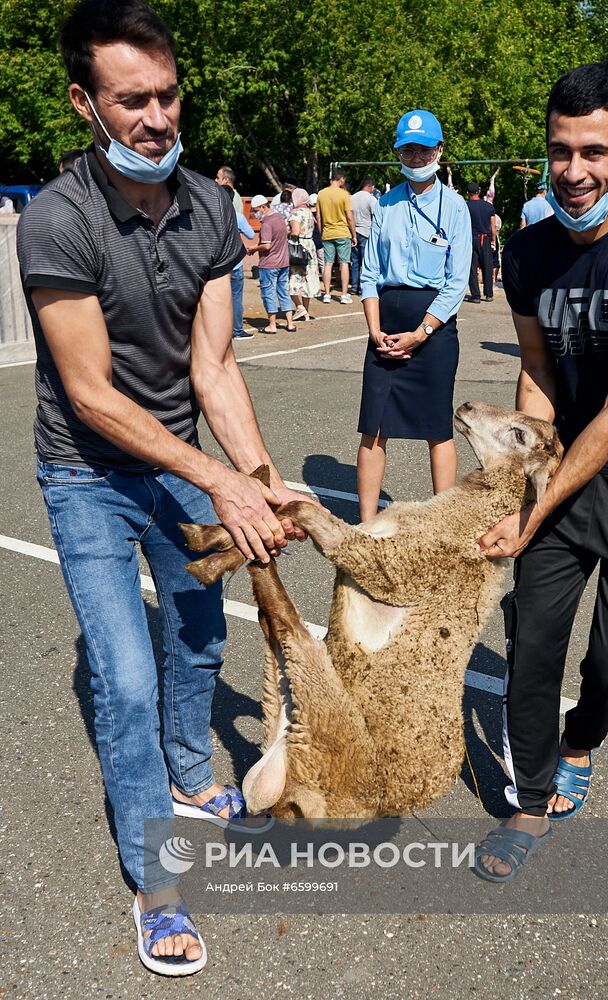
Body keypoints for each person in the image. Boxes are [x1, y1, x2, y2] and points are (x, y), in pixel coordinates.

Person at [16, 0, 308, 974]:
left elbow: (214, 369)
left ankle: (191, 771)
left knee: (195, 631)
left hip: (181, 453)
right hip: (87, 472)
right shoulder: (56, 220)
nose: (156, 116)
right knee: (126, 676)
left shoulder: (212, 209)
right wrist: (218, 478)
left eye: (168, 94)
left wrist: (259, 485)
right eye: (131, 99)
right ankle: (158, 880)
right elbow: (93, 395)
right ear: (83, 104)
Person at [474, 62, 608, 884]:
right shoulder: (527, 253)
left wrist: (531, 510)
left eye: (593, 152)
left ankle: (580, 741)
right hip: (559, 474)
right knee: (530, 646)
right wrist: (516, 481)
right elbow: (535, 369)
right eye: (559, 150)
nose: (573, 171)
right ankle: (528, 800)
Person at [357, 109, 472, 521]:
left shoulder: (456, 207)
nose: (417, 157)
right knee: (374, 427)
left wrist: (421, 333)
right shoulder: (384, 205)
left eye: (424, 149)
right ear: (398, 153)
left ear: (439, 150)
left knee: (437, 428)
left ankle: (443, 523)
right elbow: (369, 273)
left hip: (434, 328)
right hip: (384, 327)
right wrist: (375, 331)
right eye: (408, 149)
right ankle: (366, 524)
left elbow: (456, 283)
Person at [215, 180, 256, 339]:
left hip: (217, 263)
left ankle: (218, 330)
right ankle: (237, 330)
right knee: (236, 298)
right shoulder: (238, 216)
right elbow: (251, 235)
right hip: (235, 263)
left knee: (217, 298)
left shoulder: (214, 215)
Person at [250, 193, 296, 334]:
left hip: (269, 263)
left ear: (263, 207)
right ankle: (290, 323)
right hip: (283, 262)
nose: (255, 213)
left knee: (268, 293)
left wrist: (253, 249)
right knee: (283, 292)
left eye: (256, 210)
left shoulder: (267, 223)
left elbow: (266, 245)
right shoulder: (279, 218)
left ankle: (272, 325)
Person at [316, 167, 357, 304]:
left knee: (328, 263)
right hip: (343, 232)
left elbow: (318, 216)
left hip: (327, 232)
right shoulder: (344, 195)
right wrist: (354, 234)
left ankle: (326, 293)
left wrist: (321, 232)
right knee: (344, 263)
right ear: (341, 179)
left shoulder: (321, 194)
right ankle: (344, 295)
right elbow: (349, 216)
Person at [288, 187, 320, 319]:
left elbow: (295, 232)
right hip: (310, 247)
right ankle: (305, 310)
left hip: (298, 248)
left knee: (294, 278)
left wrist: (287, 233)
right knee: (308, 278)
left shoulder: (295, 213)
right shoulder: (309, 212)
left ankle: (299, 307)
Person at [465, 180, 496, 302]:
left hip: (471, 239)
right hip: (485, 238)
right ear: (479, 191)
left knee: (472, 267)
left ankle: (476, 295)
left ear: (468, 193)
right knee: (487, 266)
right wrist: (493, 240)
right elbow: (493, 226)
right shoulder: (488, 206)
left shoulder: (465, 207)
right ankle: (488, 294)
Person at [350, 175, 377, 295]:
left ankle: (354, 286)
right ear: (371, 187)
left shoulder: (352, 197)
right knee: (366, 262)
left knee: (355, 262)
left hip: (353, 232)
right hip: (366, 232)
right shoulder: (371, 199)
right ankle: (363, 288)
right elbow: (377, 215)